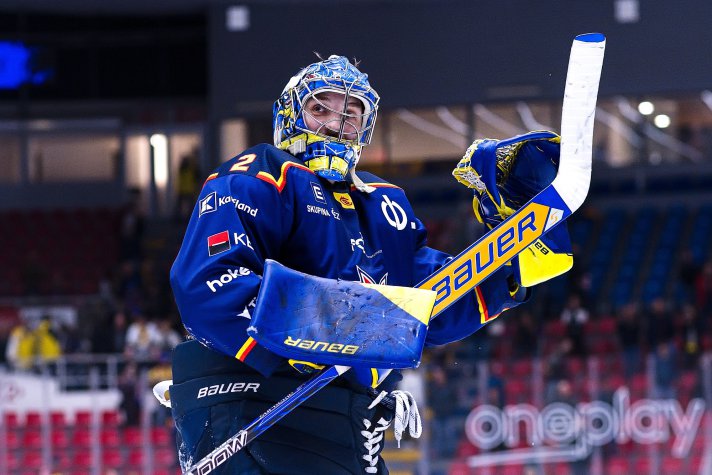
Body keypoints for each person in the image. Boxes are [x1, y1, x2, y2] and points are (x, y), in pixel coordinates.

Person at [168, 55, 571, 474]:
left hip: (339, 416)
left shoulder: (383, 204)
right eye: (320, 108)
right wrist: (313, 333)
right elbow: (209, 282)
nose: (336, 124)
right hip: (257, 404)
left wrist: (512, 259)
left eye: (351, 114)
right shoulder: (262, 174)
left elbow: (425, 303)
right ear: (289, 115)